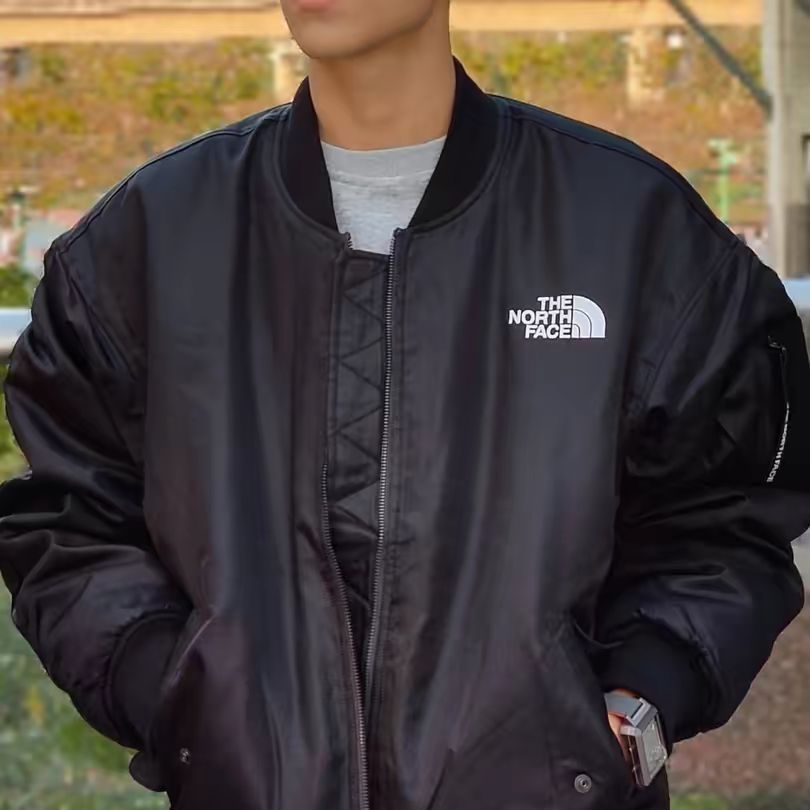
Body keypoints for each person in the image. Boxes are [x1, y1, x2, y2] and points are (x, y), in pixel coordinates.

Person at [1, 2, 809, 808]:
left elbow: (729, 517)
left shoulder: (630, 227)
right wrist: (173, 693)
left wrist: (634, 710)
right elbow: (70, 519)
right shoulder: (153, 239)